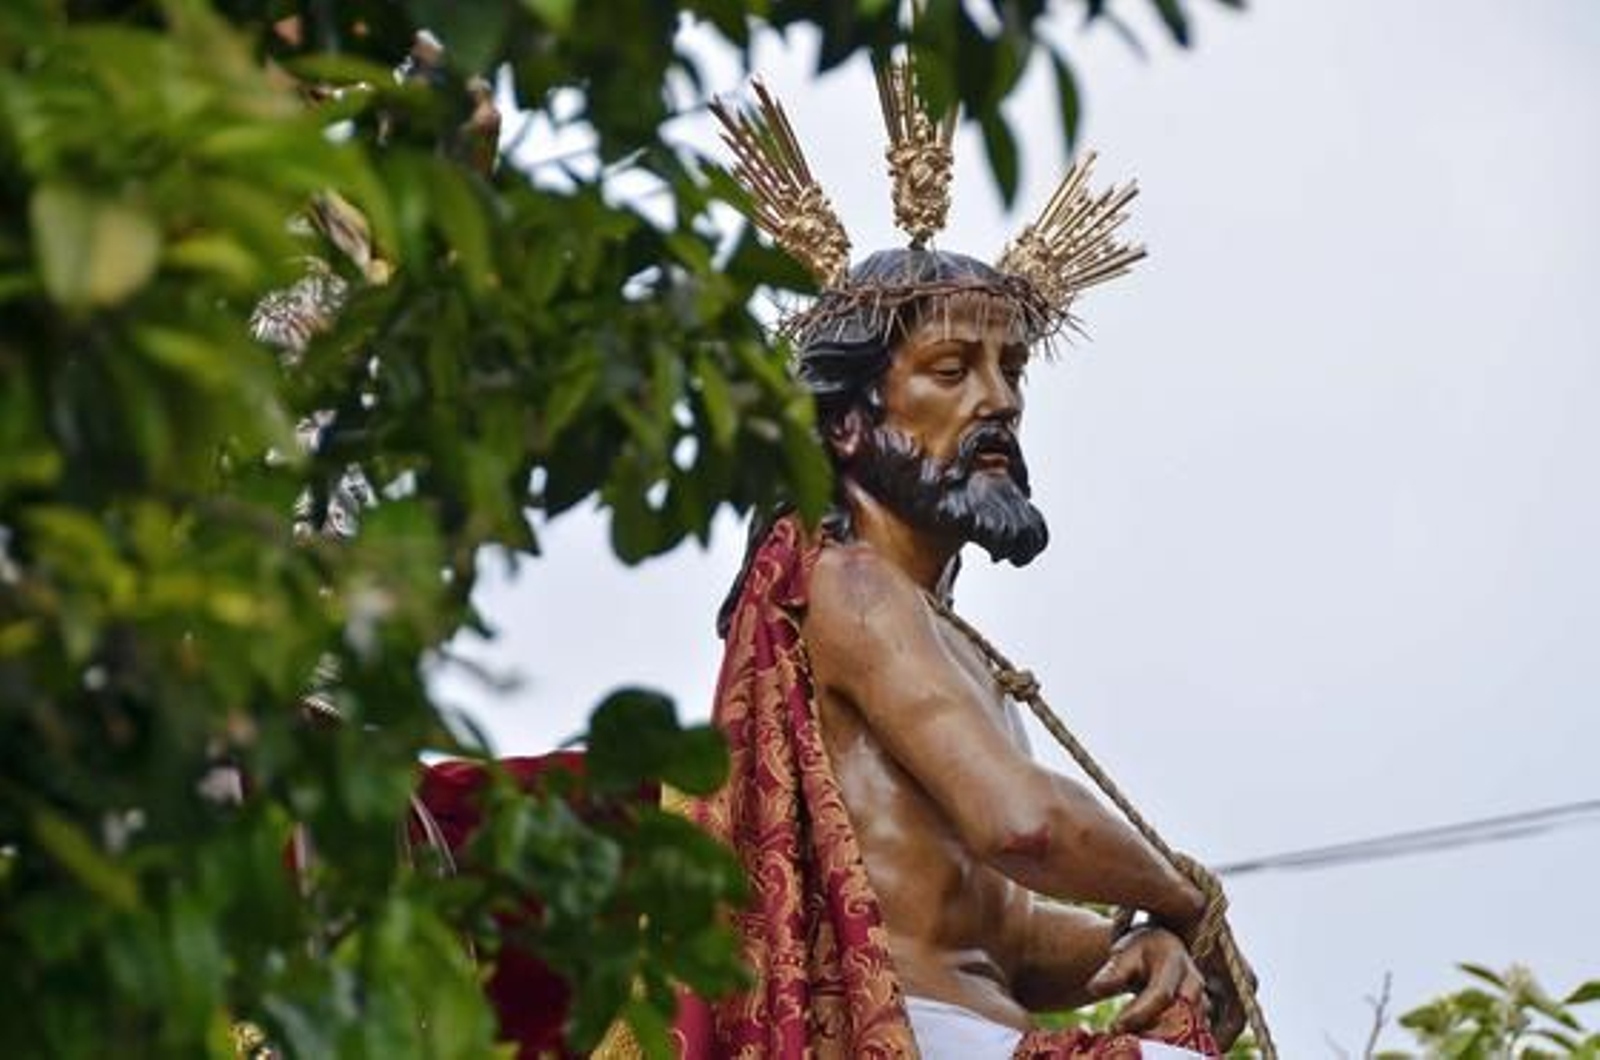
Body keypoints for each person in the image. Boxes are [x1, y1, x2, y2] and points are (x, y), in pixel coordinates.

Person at [668, 63, 1255, 1060]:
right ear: (848, 424)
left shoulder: (957, 646)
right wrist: (1178, 893)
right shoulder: (849, 585)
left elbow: (1007, 930)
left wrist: (1141, 939)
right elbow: (1019, 821)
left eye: (1011, 369)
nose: (1001, 400)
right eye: (952, 370)